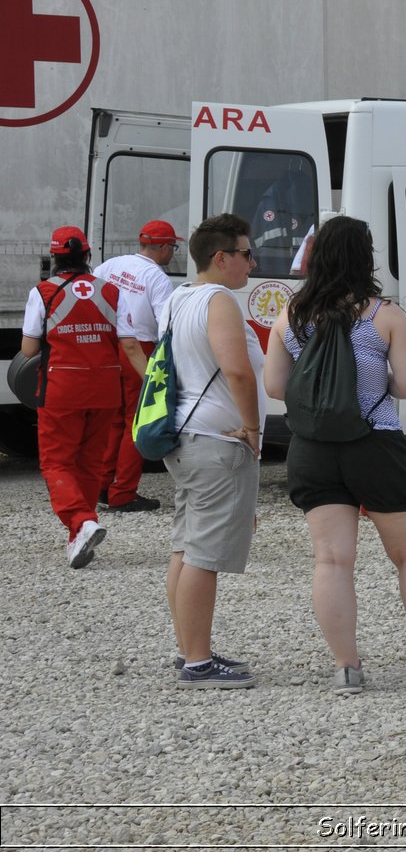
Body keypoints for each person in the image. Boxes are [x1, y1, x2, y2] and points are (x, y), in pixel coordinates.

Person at [264, 216, 406, 692]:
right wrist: (368, 381)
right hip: (375, 444)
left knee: (332, 560)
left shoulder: (290, 318)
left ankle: (347, 668)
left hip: (314, 450)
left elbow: (275, 386)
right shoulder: (383, 315)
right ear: (364, 257)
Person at [163, 214, 264, 686]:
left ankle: (191, 651)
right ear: (221, 258)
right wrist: (252, 428)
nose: (252, 262)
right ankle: (199, 663)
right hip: (215, 441)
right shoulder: (219, 300)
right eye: (245, 253)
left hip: (183, 435)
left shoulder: (177, 297)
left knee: (186, 547)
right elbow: (238, 372)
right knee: (204, 554)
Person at [20, 226, 126, 569]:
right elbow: (126, 339)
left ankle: (81, 520)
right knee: (89, 462)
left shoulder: (44, 292)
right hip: (106, 386)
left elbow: (29, 347)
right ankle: (79, 537)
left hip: (62, 388)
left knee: (56, 462)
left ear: (54, 258)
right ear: (87, 256)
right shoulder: (110, 291)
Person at [93, 219, 182, 513]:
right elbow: (167, 326)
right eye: (174, 247)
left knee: (114, 421)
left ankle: (103, 485)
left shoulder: (109, 266)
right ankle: (123, 492)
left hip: (105, 348)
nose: (174, 253)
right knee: (137, 422)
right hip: (137, 350)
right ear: (164, 247)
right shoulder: (157, 278)